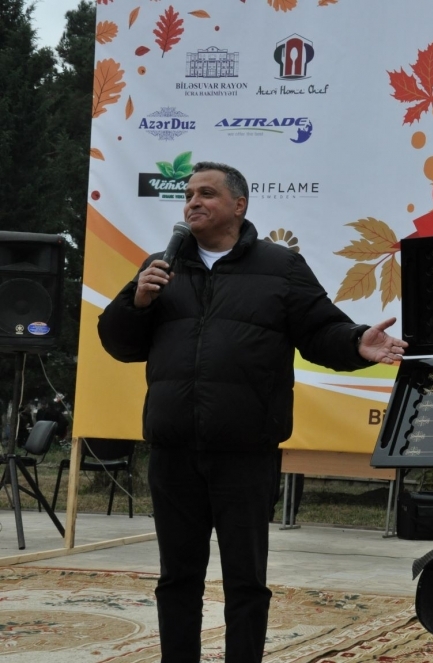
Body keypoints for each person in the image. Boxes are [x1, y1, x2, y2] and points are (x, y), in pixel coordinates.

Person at [97, 161, 407, 663]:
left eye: (206, 193)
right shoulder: (161, 266)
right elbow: (119, 344)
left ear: (239, 205)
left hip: (245, 453)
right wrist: (138, 300)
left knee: (245, 581)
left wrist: (356, 342)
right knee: (177, 579)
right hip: (173, 452)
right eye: (188, 195)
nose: (193, 202)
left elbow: (320, 331)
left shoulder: (280, 267)